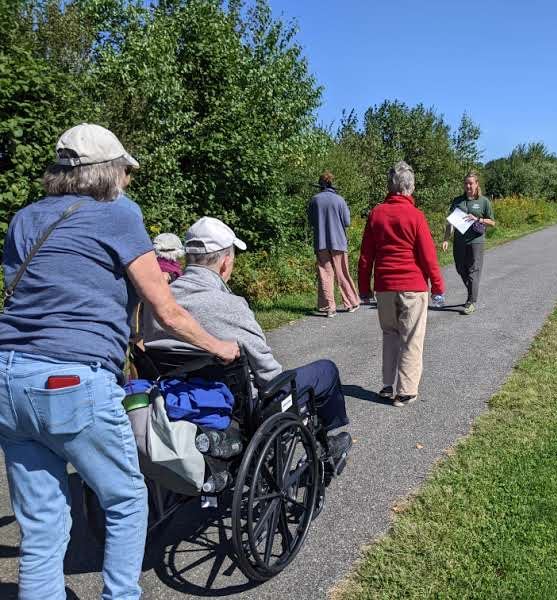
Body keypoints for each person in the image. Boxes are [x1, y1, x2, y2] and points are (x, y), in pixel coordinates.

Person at [0, 123, 239, 600]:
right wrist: (218, 346)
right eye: (126, 173)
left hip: (9, 375)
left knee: (42, 518)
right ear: (109, 173)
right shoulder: (118, 213)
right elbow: (166, 310)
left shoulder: (24, 219)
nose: (128, 182)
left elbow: (49, 290)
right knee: (126, 499)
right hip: (71, 378)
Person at [142, 217, 352, 452]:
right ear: (225, 262)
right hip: (241, 411)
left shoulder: (159, 304)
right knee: (326, 371)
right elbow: (269, 375)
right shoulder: (231, 306)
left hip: (176, 400)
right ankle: (326, 448)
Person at [358, 161, 445, 407]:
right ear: (410, 187)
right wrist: (438, 287)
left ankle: (387, 385)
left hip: (384, 287)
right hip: (412, 286)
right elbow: (428, 256)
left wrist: (363, 288)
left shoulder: (376, 214)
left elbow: (366, 256)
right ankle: (405, 391)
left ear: (390, 186)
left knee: (390, 335)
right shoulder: (416, 216)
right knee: (411, 338)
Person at [307, 171, 360, 317]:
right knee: (342, 272)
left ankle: (329, 307)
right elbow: (347, 222)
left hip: (321, 242)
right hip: (338, 241)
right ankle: (350, 303)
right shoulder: (339, 200)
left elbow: (311, 221)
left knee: (325, 274)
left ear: (320, 185)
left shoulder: (314, 200)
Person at [442, 171, 496, 315]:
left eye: (471, 183)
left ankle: (471, 301)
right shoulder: (457, 201)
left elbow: (492, 222)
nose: (468, 186)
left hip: (476, 242)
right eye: (466, 183)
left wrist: (478, 219)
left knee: (473, 270)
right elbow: (450, 222)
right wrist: (446, 239)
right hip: (459, 241)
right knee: (461, 268)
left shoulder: (483, 201)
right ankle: (473, 289)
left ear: (477, 184)